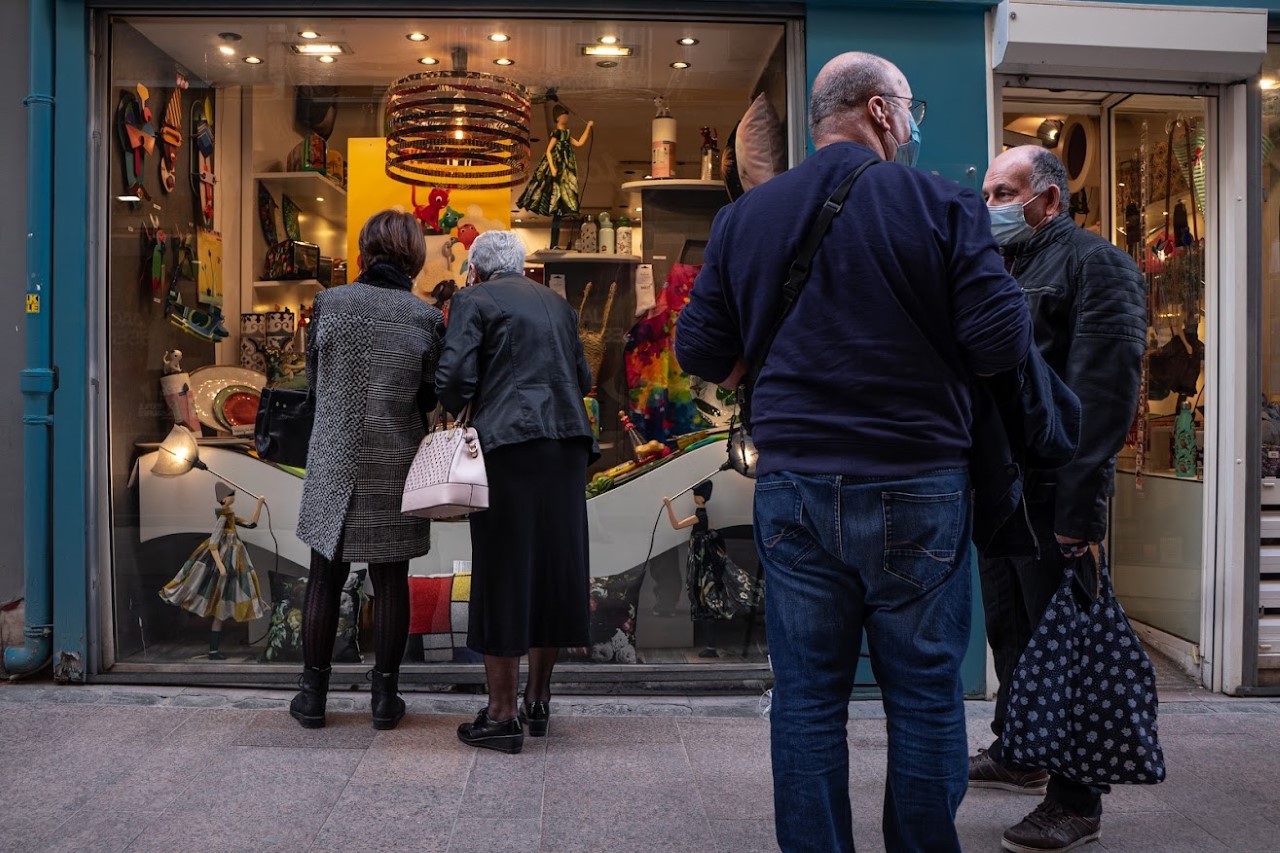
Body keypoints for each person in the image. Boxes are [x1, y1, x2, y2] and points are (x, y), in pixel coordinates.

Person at [674, 51, 1035, 853]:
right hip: (921, 487)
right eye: (910, 110)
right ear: (879, 111)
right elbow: (1001, 341)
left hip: (795, 485)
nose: (913, 127)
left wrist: (760, 361)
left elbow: (700, 347)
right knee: (925, 698)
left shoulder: (748, 217)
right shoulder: (941, 204)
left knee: (806, 699)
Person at [974, 145, 1146, 853]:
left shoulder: (1097, 265)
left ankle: (1076, 800)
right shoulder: (1009, 265)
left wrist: (1081, 510)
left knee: (1064, 647)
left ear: (1047, 199)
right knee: (1012, 632)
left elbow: (1103, 395)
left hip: (1053, 493)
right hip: (1003, 488)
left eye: (1004, 193)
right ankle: (1021, 750)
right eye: (985, 194)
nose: (991, 208)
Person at [436, 229, 596, 755]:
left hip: (509, 446)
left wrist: (453, 400)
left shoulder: (473, 298)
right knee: (554, 567)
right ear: (522, 266)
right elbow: (583, 376)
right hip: (568, 446)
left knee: (504, 569)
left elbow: (456, 379)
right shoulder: (557, 303)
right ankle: (538, 703)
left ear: (475, 269)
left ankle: (501, 716)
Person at [290, 209, 445, 731]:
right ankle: (385, 700)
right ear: (415, 258)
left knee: (324, 578)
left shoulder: (329, 304)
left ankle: (312, 698)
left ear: (365, 250)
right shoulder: (426, 318)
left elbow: (313, 380)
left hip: (334, 454)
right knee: (392, 578)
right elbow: (429, 394)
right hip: (395, 459)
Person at [159, 482, 268, 660]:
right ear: (224, 499)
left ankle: (214, 649)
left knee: (222, 608)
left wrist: (259, 504)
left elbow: (251, 525)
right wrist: (221, 566)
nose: (233, 498)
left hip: (235, 562)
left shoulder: (230, 515)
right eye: (230, 495)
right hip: (225, 564)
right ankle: (213, 649)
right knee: (219, 606)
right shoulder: (223, 517)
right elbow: (213, 544)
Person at [516, 103, 593, 250]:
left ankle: (555, 242)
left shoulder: (568, 134)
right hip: (558, 170)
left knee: (561, 208)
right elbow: (548, 152)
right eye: (564, 114)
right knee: (555, 202)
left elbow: (580, 143)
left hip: (565, 170)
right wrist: (552, 168)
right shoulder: (557, 134)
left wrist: (588, 127)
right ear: (558, 118)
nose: (566, 117)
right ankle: (554, 243)